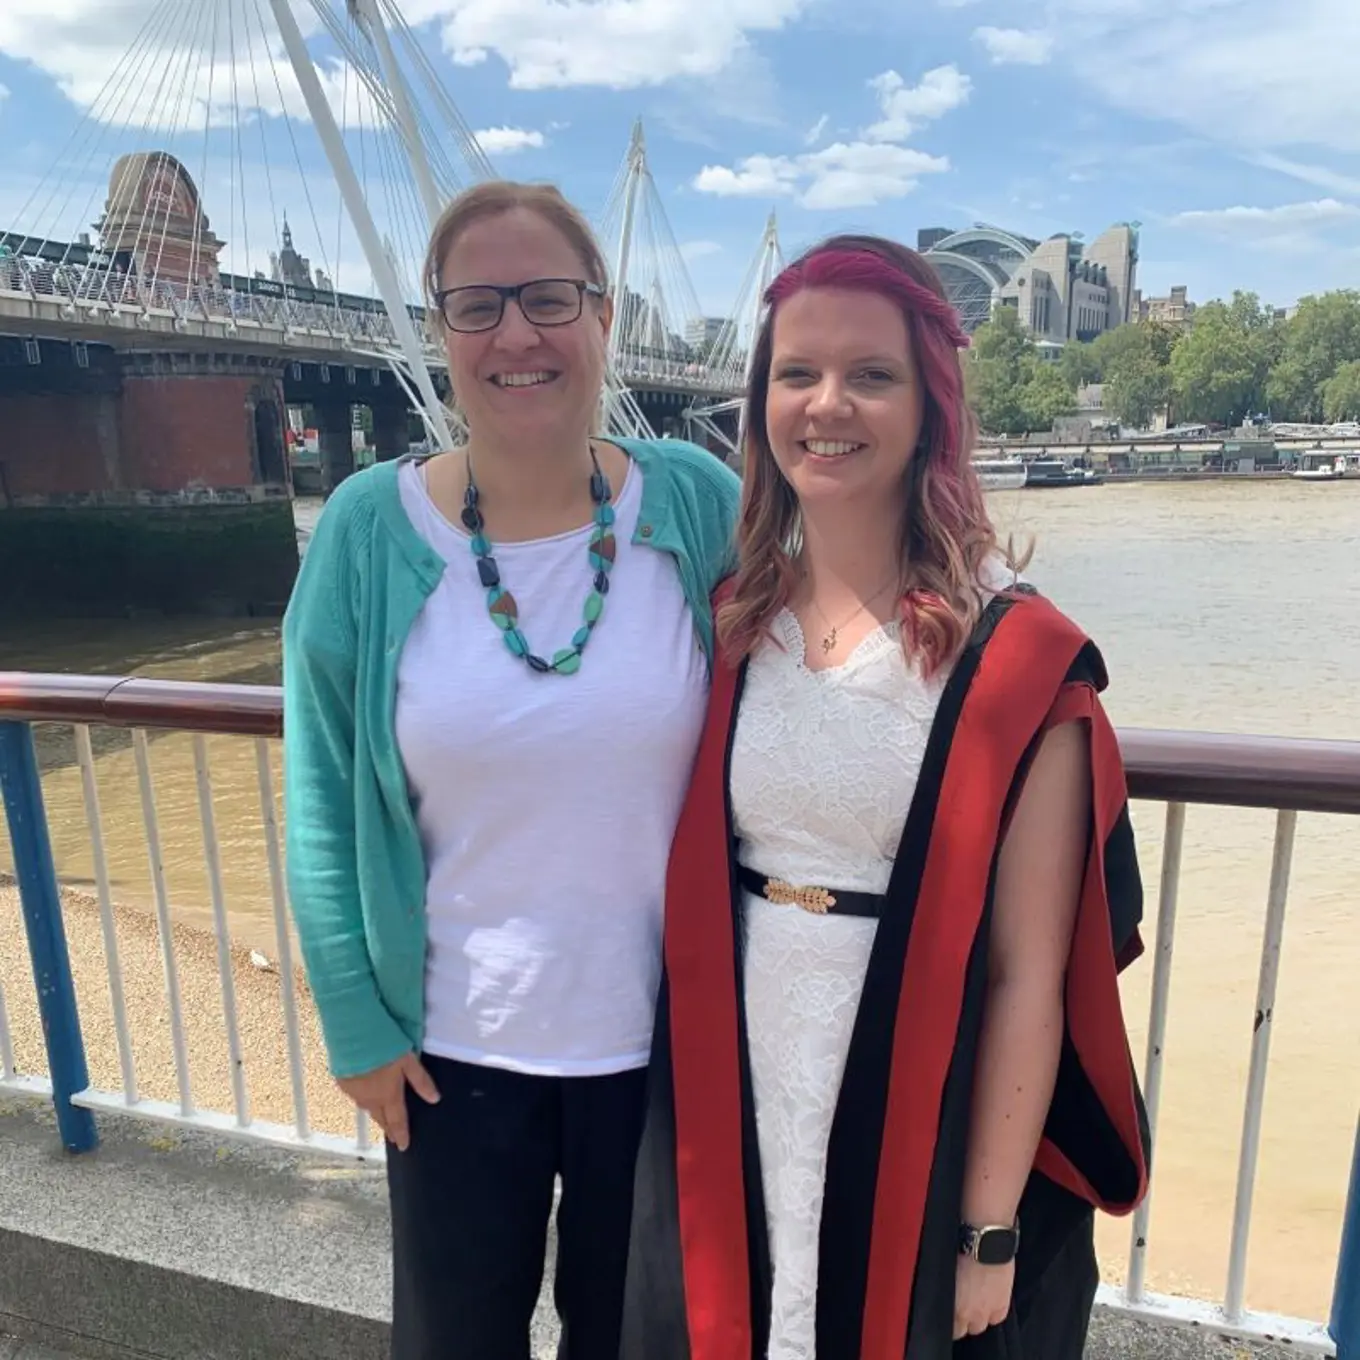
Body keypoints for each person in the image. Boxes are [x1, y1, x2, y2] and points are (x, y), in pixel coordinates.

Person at [622, 235, 1151, 1359]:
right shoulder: (733, 621)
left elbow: (1025, 970)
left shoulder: (1010, 656)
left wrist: (990, 1229)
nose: (827, 405)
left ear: (930, 406)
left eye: (871, 374)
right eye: (796, 372)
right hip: (740, 1075)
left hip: (920, 1088)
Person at [281, 180, 741, 1360]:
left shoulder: (694, 502)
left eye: (548, 298)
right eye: (477, 305)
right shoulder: (364, 531)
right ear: (440, 331)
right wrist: (355, 1024)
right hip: (447, 1056)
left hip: (660, 1052)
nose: (516, 336)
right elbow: (325, 795)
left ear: (601, 319)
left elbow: (826, 648)